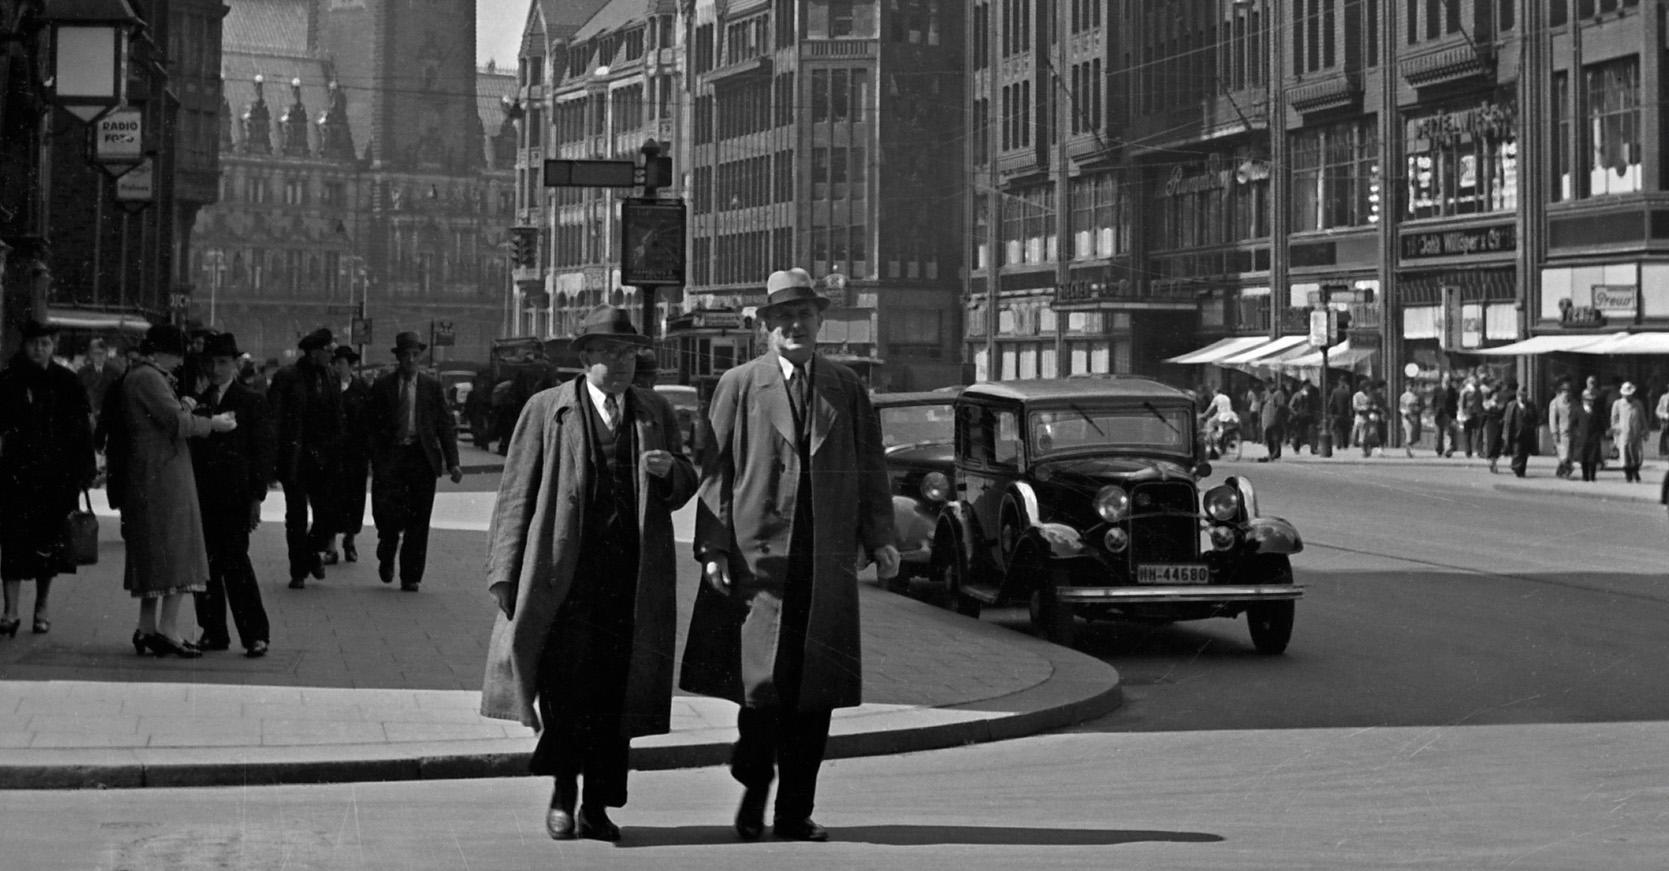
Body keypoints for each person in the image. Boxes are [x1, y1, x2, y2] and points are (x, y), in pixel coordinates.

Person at [680, 268, 899, 844]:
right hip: (759, 564)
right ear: (766, 327)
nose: (795, 325)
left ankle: (795, 812)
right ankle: (753, 786)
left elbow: (870, 463)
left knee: (815, 691)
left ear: (819, 322)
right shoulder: (740, 384)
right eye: (783, 317)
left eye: (804, 315)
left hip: (824, 562)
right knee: (761, 688)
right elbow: (715, 473)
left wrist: (881, 535)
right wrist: (713, 547)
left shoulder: (844, 385)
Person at [480, 305, 698, 843]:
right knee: (562, 688)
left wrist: (672, 475)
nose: (621, 364)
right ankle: (562, 794)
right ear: (585, 358)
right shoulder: (547, 410)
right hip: (564, 578)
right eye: (609, 353)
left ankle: (598, 806)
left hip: (630, 578)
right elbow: (515, 495)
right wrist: (504, 570)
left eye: (628, 353)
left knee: (616, 692)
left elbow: (688, 480)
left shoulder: (653, 411)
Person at [114, 324, 237, 657]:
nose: (181, 362)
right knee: (177, 549)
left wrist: (183, 405)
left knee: (154, 553)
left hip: (152, 472)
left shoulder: (142, 376)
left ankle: (147, 627)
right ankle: (168, 628)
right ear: (160, 352)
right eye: (177, 354)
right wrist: (215, 424)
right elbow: (178, 424)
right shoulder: (149, 378)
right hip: (164, 475)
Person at [0, 320, 96, 638]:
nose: (39, 349)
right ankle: (10, 610)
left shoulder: (66, 381)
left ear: (53, 346)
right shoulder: (9, 380)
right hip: (15, 476)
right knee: (11, 545)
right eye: (33, 344)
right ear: (24, 345)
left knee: (47, 548)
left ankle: (41, 608)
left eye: (45, 344)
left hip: (56, 479)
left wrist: (83, 472)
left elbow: (82, 432)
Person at [189, 333, 274, 657]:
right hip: (204, 495)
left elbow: (263, 451)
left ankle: (254, 634)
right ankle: (213, 631)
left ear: (235, 365)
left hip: (236, 497)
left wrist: (257, 497)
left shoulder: (251, 401)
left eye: (223, 362)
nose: (216, 369)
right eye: (211, 363)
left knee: (236, 562)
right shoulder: (200, 401)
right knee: (205, 566)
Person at [367, 331, 462, 591]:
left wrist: (453, 462)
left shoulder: (430, 387)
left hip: (421, 458)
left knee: (419, 520)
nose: (411, 359)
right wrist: (373, 456)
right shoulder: (383, 386)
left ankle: (411, 575)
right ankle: (387, 551)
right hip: (392, 458)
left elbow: (444, 424)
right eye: (406, 355)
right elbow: (371, 425)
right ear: (398, 358)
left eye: (415, 355)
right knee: (388, 515)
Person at [268, 328, 342, 589]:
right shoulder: (288, 377)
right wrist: (273, 458)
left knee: (327, 515)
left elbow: (337, 417)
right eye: (328, 350)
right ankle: (297, 570)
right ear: (314, 352)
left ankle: (311, 553)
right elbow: (275, 419)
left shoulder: (331, 377)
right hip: (295, 457)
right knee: (296, 516)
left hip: (323, 456)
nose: (332, 355)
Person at [325, 345, 372, 565]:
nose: (336, 367)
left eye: (340, 363)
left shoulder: (361, 387)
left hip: (355, 454)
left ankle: (350, 540)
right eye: (334, 363)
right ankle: (331, 546)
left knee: (354, 498)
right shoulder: (326, 387)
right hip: (332, 454)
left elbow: (369, 419)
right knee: (330, 498)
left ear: (349, 365)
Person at [77, 338, 124, 426]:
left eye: (101, 353)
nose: (99, 356)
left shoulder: (115, 371)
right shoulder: (82, 372)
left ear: (106, 354)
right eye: (96, 353)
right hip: (89, 414)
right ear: (91, 355)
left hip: (109, 413)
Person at [1611, 381, 1648, 483]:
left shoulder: (1638, 404)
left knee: (1637, 455)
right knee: (1625, 454)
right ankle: (1628, 474)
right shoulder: (1617, 404)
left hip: (1636, 433)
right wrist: (1616, 430)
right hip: (1623, 434)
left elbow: (1643, 418)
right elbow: (1614, 419)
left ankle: (1636, 471)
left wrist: (1645, 431)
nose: (1629, 396)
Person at [1502, 382, 1539, 479]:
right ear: (1518, 396)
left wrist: (1533, 425)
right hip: (1516, 433)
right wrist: (1506, 433)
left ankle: (1522, 469)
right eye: (1521, 395)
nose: (1522, 398)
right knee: (1517, 451)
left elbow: (1535, 418)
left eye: (1524, 395)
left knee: (1525, 453)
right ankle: (1516, 467)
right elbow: (1507, 420)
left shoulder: (1531, 405)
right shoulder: (1512, 405)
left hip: (1527, 433)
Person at [1572, 384, 1607, 482]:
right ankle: (1585, 475)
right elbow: (1573, 424)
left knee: (1593, 458)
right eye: (1588, 400)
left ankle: (1592, 475)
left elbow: (1601, 423)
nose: (1590, 402)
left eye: (1592, 400)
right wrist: (1576, 433)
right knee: (1584, 458)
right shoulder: (1578, 410)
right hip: (1582, 437)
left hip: (1594, 437)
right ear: (1584, 400)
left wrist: (1603, 433)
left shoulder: (1596, 411)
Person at [1548, 379, 1575, 478]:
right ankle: (1564, 471)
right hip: (1561, 433)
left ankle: (1563, 471)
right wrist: (1554, 432)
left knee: (1569, 456)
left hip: (1572, 433)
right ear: (1561, 391)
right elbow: (1552, 419)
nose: (1567, 393)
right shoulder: (1555, 403)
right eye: (1565, 391)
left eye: (1569, 391)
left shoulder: (1574, 403)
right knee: (1564, 455)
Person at [1480, 379, 1506, 473]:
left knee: (1496, 444)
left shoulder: (1499, 402)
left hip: (1497, 425)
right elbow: (1486, 413)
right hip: (1492, 425)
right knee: (1492, 443)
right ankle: (1492, 461)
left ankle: (1493, 461)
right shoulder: (1490, 403)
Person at [1259, 378, 1288, 462]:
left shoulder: (1278, 393)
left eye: (1269, 384)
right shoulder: (1266, 394)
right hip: (1266, 418)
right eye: (1266, 385)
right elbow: (1263, 404)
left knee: (1275, 436)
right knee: (1268, 437)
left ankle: (1276, 453)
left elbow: (1280, 406)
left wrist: (1277, 417)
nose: (1268, 387)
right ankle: (1271, 453)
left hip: (1275, 418)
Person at [1286, 379, 1317, 455]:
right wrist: (1295, 413)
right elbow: (1290, 406)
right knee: (1299, 433)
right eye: (1308, 385)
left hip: (1309, 416)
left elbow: (1313, 405)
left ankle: (1313, 449)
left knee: (1311, 432)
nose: (1309, 387)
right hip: (1300, 417)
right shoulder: (1298, 394)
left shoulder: (1311, 394)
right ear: (1304, 386)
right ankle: (1296, 448)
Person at [1432, 375, 1459, 458]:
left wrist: (1454, 417)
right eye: (1445, 379)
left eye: (1448, 380)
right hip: (1439, 414)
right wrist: (1434, 411)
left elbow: (1455, 404)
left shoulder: (1452, 390)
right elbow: (1433, 401)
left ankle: (1448, 450)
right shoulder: (1437, 389)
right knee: (1438, 433)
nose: (1447, 381)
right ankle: (1439, 450)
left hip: (1449, 414)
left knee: (1448, 433)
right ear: (1442, 380)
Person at [1328, 377, 1353, 455]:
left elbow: (1331, 403)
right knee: (1345, 430)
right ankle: (1345, 444)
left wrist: (1331, 413)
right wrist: (1350, 414)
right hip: (1345, 414)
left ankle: (1338, 444)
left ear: (1339, 382)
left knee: (1336, 429)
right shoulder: (1347, 392)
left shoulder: (1335, 391)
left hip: (1336, 414)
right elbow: (1350, 404)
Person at [1458, 375, 1482, 457]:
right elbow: (1461, 403)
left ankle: (1479, 450)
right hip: (1467, 413)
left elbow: (1480, 401)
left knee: (1478, 433)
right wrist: (1462, 414)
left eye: (1476, 380)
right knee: (1467, 433)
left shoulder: (1478, 390)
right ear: (1470, 381)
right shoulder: (1465, 391)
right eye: (1473, 380)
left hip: (1477, 413)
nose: (1475, 382)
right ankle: (1468, 452)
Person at [1398, 381, 1424, 458]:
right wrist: (1404, 412)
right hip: (1407, 417)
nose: (1411, 388)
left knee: (1414, 434)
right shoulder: (1403, 396)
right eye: (1409, 386)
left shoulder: (1418, 396)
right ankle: (1408, 451)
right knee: (1409, 433)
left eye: (1412, 386)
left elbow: (1422, 406)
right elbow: (1401, 407)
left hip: (1415, 417)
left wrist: (1418, 409)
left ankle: (1411, 448)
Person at [1656, 383, 1669, 457]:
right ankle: (1665, 453)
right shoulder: (1663, 398)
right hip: (1666, 422)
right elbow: (1658, 410)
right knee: (1665, 436)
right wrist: (1664, 415)